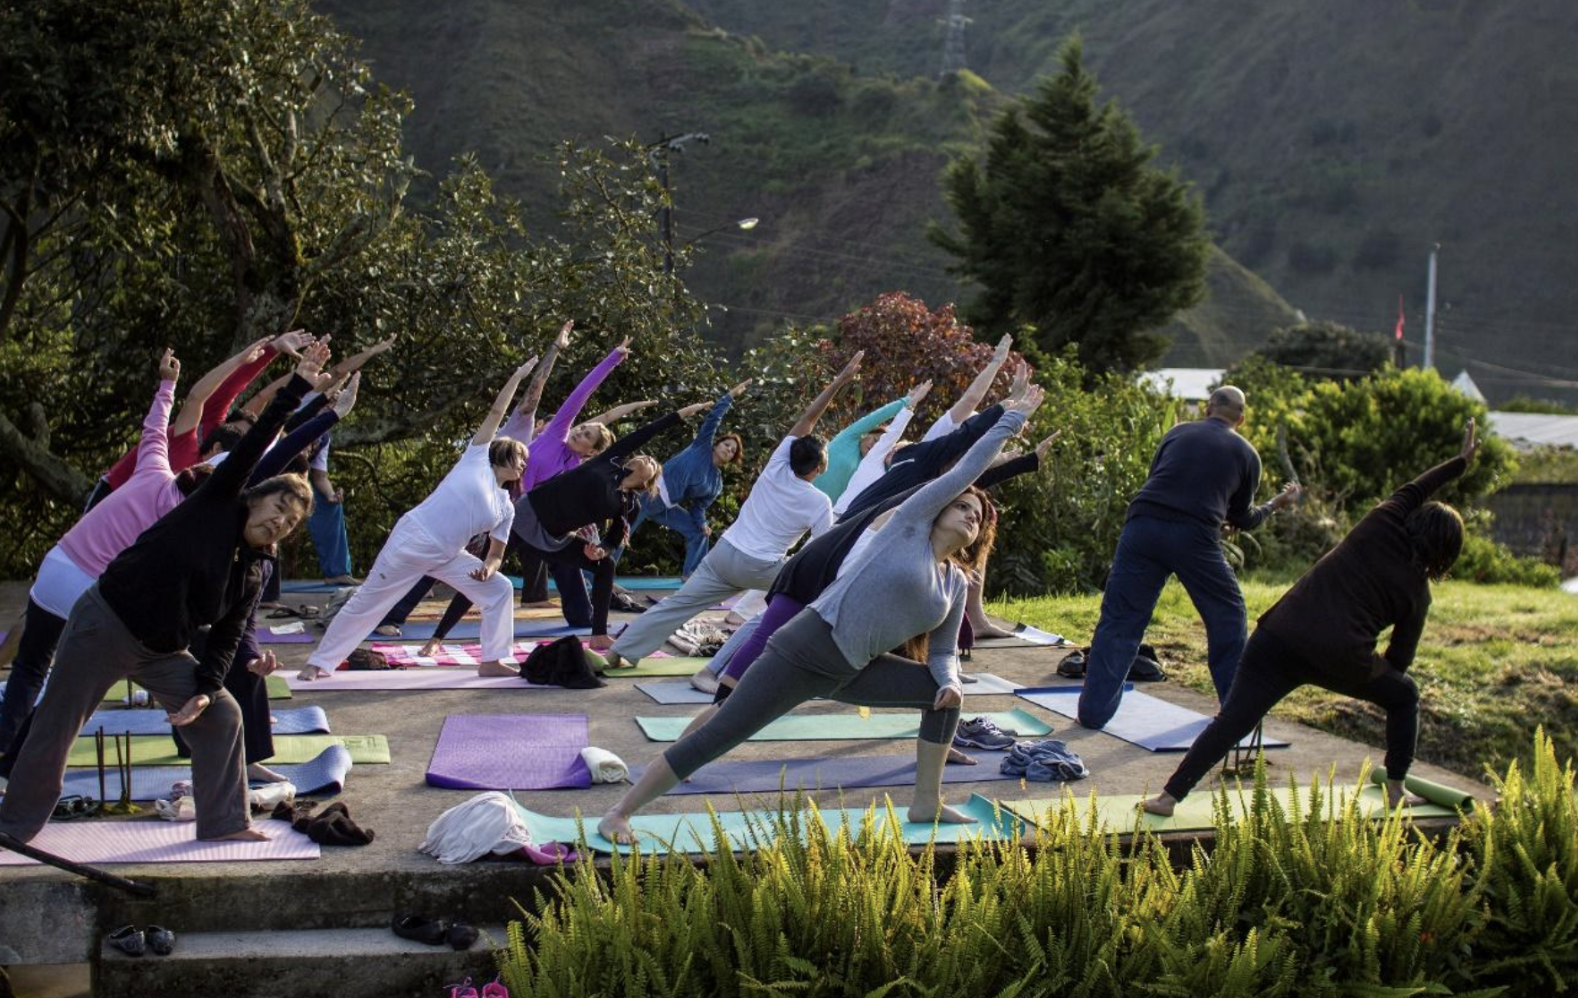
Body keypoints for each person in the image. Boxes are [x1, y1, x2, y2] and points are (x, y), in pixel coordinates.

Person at [597, 387, 1043, 844]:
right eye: (962, 506)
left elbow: (944, 651)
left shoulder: (953, 583)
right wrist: (1010, 421)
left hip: (854, 670)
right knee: (719, 734)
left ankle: (926, 801)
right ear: (938, 509)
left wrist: (948, 680)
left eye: (978, 515)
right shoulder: (907, 527)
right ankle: (619, 813)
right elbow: (967, 470)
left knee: (944, 697)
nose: (970, 515)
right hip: (804, 650)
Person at [0, 341, 328, 845]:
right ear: (254, 498)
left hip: (159, 650)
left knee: (223, 714)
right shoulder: (214, 504)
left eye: (290, 522)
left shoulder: (254, 568)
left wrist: (204, 690)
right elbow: (258, 441)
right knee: (57, 723)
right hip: (106, 622)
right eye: (278, 508)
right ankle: (14, 824)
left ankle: (225, 821)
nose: (280, 522)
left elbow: (227, 636)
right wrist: (300, 386)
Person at [1143, 420, 1480, 816]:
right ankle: (1395, 789)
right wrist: (1370, 673)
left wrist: (1460, 462)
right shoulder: (1418, 595)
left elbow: (1417, 487)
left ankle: (1168, 798)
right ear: (1446, 554)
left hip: (1278, 635)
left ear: (1414, 519)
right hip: (1342, 658)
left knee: (1232, 720)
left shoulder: (1382, 522)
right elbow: (1399, 662)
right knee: (1405, 696)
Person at [600, 353, 866, 668]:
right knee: (816, 594)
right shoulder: (819, 502)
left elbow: (808, 418)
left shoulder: (776, 466)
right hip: (762, 567)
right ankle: (806, 658)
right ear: (820, 467)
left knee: (677, 605)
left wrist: (839, 381)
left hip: (724, 555)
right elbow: (818, 550)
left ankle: (620, 651)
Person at [295, 358, 539, 681]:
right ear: (501, 453)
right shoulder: (476, 459)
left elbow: (496, 552)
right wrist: (518, 376)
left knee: (500, 589)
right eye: (521, 456)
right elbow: (496, 413)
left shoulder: (506, 506)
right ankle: (319, 663)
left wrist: (488, 568)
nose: (524, 463)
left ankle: (492, 659)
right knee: (369, 602)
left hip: (448, 554)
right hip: (414, 539)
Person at [1077, 386, 1302, 731]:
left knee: (1120, 620)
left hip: (1142, 526)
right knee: (1228, 615)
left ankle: (1093, 714)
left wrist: (1209, 520)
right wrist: (1277, 504)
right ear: (1241, 419)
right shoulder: (1247, 453)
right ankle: (1236, 715)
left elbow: (1163, 483)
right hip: (1194, 539)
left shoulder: (1177, 433)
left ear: (1208, 407)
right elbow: (1243, 518)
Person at [416, 403, 712, 659]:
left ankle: (598, 635)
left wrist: (601, 550)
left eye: (652, 463)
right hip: (526, 515)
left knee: (606, 566)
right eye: (645, 457)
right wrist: (683, 413)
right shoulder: (609, 462)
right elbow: (647, 431)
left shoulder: (629, 505)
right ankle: (437, 637)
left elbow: (612, 540)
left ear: (648, 481)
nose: (647, 459)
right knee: (484, 572)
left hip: (553, 537)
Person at [81, 331, 311, 511]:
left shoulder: (216, 474)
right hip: (115, 490)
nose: (238, 435)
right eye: (239, 429)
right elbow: (229, 389)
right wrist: (271, 350)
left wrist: (304, 382)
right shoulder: (205, 424)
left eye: (242, 439)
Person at [622, 380, 752, 577]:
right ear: (717, 444)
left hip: (666, 506)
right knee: (620, 535)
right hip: (648, 494)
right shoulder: (701, 446)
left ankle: (692, 576)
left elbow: (698, 508)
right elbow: (714, 418)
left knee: (699, 533)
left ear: (732, 458)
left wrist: (703, 524)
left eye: (732, 451)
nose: (728, 450)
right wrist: (730, 396)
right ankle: (595, 578)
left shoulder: (715, 483)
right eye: (727, 445)